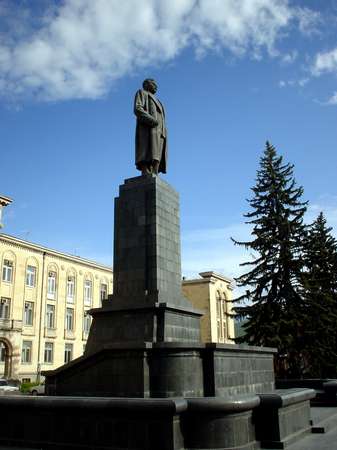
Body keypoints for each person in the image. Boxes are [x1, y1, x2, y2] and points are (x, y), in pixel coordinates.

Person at [134, 79, 167, 175]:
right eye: (153, 84)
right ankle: (145, 170)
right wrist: (152, 120)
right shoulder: (142, 93)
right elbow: (138, 109)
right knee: (148, 151)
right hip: (148, 128)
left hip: (160, 131)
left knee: (158, 154)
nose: (156, 86)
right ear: (146, 85)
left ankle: (155, 172)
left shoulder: (159, 101)